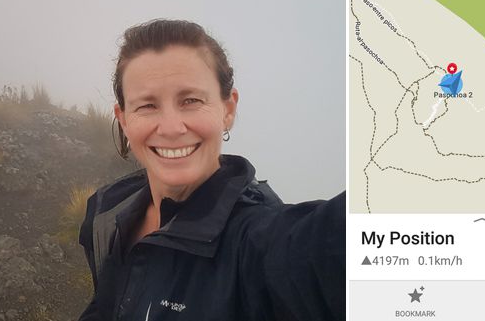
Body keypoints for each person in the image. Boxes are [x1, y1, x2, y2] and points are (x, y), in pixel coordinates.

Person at [78, 19, 345, 321]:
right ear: (124, 118)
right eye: (147, 105)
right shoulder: (108, 211)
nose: (170, 128)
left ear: (228, 109)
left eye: (190, 100)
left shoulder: (257, 242)